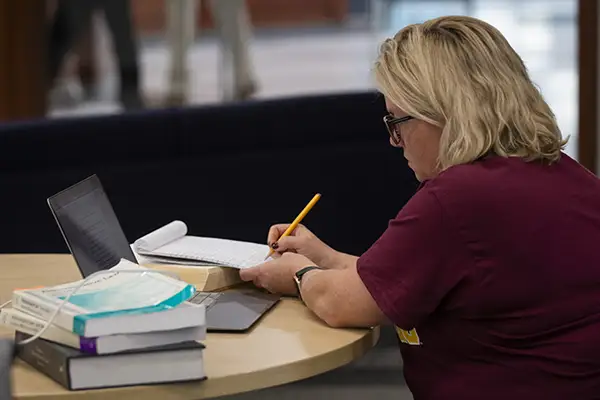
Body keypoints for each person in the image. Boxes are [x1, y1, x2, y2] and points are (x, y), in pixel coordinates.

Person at [239, 15, 600, 399]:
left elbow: (341, 303)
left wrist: (297, 275)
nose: (396, 142)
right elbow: (397, 279)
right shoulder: (567, 174)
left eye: (398, 121)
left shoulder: (458, 198)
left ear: (442, 113)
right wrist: (323, 258)